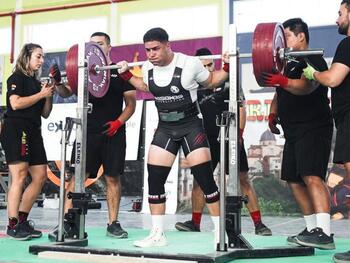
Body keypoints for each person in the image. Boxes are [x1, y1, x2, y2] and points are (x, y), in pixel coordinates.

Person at [116, 27, 229, 248]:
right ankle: (157, 234)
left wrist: (227, 65)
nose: (151, 54)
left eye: (156, 49)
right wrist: (126, 74)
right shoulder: (148, 67)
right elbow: (144, 86)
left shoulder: (189, 64)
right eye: (147, 50)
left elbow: (213, 82)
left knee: (206, 181)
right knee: (155, 181)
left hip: (191, 127)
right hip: (165, 128)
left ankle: (219, 234)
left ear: (168, 46)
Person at [174, 47, 272, 236]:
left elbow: (241, 108)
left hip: (230, 137)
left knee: (242, 179)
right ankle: (195, 223)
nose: (208, 69)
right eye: (204, 66)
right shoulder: (191, 83)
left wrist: (239, 135)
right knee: (199, 181)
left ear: (215, 62)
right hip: (204, 139)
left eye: (210, 64)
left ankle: (259, 224)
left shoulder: (228, 78)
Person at [48, 32, 136, 240]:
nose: (96, 48)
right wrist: (58, 82)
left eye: (100, 44)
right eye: (92, 45)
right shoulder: (83, 71)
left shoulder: (120, 71)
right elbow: (65, 92)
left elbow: (131, 104)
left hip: (114, 132)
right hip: (87, 132)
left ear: (109, 47)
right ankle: (66, 223)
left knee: (113, 178)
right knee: (77, 178)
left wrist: (118, 123)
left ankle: (113, 223)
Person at [263, 18, 334, 250]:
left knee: (312, 176)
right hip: (293, 129)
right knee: (293, 179)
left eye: (288, 36)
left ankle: (324, 233)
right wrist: (272, 114)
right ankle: (312, 228)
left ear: (301, 36)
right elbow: (279, 93)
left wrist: (284, 81)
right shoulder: (286, 61)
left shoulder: (313, 58)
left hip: (313, 126)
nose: (283, 42)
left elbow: (307, 86)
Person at [302, 0, 350, 260]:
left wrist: (312, 74)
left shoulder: (348, 44)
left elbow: (332, 78)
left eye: (340, 13)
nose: (337, 19)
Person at [0, 43, 55, 240]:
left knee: (40, 176)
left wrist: (49, 95)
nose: (42, 61)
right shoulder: (16, 78)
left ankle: (22, 220)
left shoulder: (36, 82)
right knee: (20, 177)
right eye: (38, 56)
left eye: (42, 57)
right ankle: (12, 224)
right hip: (16, 128)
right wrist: (41, 94)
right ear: (26, 57)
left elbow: (46, 114)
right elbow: (15, 103)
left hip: (34, 129)